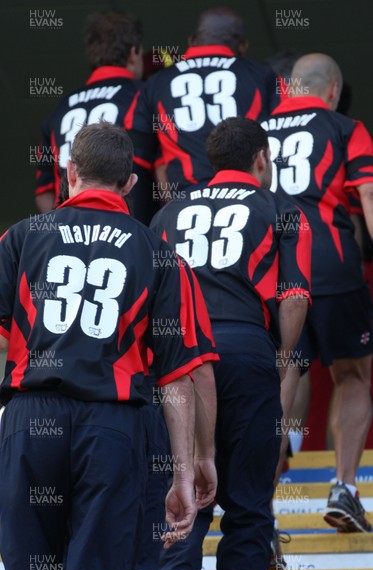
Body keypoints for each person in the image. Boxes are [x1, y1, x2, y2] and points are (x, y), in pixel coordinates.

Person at [0, 122, 217, 570]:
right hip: (113, 426)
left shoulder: (18, 239)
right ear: (131, 183)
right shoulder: (160, 254)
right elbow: (178, 377)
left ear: (70, 172)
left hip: (31, 421)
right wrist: (183, 471)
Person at [150, 117, 311, 570]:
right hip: (246, 352)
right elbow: (295, 295)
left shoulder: (167, 214)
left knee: (184, 492)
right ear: (261, 159)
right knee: (248, 506)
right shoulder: (284, 209)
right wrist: (280, 358)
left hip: (179, 360)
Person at [262, 53, 373, 532]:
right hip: (331, 261)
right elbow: (367, 195)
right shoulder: (347, 127)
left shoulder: (257, 130)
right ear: (332, 90)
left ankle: (259, 512)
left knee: (283, 376)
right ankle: (344, 489)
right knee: (352, 374)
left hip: (277, 266)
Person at [128, 6, 280, 197]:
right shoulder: (264, 76)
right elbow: (287, 135)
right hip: (248, 200)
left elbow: (137, 159)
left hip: (185, 207)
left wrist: (155, 218)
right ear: (243, 46)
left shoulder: (154, 84)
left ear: (191, 41)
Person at [35, 10, 157, 224]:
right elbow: (167, 170)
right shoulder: (145, 95)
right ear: (133, 52)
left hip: (66, 238)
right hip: (128, 237)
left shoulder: (60, 108)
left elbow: (43, 192)